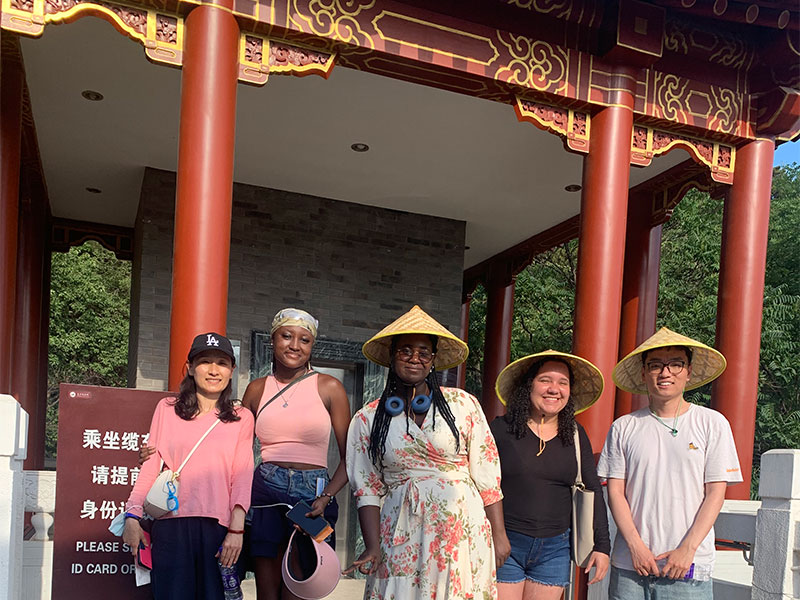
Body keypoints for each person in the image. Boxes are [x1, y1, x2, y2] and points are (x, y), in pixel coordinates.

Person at [344, 305, 510, 599]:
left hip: (461, 527)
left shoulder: (463, 404)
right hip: (402, 529)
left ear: (433, 360)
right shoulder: (368, 418)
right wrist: (372, 546)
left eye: (424, 352)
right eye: (405, 351)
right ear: (392, 355)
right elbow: (366, 487)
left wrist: (499, 534)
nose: (414, 358)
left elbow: (486, 472)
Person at [597, 327, 742, 599]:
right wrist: (635, 547)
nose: (665, 373)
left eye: (676, 364)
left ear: (689, 372)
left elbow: (716, 493)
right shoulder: (623, 427)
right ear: (644, 373)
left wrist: (687, 549)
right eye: (655, 365)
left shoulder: (712, 423)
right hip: (631, 567)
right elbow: (615, 492)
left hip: (688, 567)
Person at [123, 332, 255, 600]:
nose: (214, 370)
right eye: (205, 362)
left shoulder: (241, 417)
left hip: (219, 529)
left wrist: (236, 530)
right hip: (171, 526)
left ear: (231, 371)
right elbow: (151, 466)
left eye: (222, 363)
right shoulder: (167, 409)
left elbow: (241, 477)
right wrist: (132, 515)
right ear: (191, 368)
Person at [240, 308, 351, 600]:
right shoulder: (256, 389)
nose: (294, 345)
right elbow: (236, 450)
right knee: (266, 591)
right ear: (272, 340)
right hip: (265, 490)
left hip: (312, 497)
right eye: (287, 336)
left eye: (304, 340)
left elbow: (351, 457)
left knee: (301, 586)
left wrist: (326, 497)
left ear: (312, 346)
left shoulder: (329, 387)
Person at [492, 350, 610, 600]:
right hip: (505, 542)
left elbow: (593, 489)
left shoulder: (575, 434)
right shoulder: (501, 429)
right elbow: (482, 485)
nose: (554, 389)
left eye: (562, 383)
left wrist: (602, 546)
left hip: (555, 548)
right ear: (529, 385)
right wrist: (495, 535)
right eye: (545, 380)